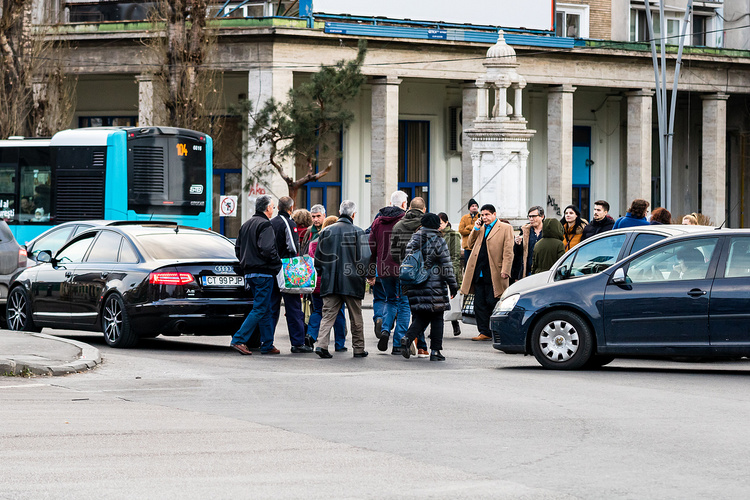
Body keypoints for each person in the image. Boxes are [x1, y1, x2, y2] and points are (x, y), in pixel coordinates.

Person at [313, 200, 372, 358]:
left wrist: (321, 272)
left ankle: (321, 345)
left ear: (340, 212)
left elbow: (318, 258)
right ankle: (359, 348)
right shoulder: (359, 232)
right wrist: (363, 275)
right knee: (356, 316)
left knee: (328, 315)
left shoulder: (326, 232)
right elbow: (365, 258)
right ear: (353, 214)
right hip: (352, 281)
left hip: (330, 280)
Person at [400, 213, 459, 361]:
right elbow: (446, 265)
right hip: (434, 284)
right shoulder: (438, 240)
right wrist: (453, 286)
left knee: (421, 316)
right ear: (435, 225)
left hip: (415, 283)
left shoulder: (413, 239)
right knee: (437, 316)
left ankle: (407, 338)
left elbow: (408, 261)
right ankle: (435, 351)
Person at [230, 195, 281, 355]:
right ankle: (239, 339)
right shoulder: (265, 224)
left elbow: (237, 248)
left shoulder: (246, 224)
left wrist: (246, 261)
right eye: (272, 207)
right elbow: (267, 249)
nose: (273, 210)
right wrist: (277, 263)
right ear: (267, 208)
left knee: (264, 309)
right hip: (263, 272)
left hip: (250, 273)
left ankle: (267, 344)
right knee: (260, 308)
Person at [461, 204, 514, 341]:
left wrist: (506, 270)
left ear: (494, 214)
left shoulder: (505, 228)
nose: (484, 217)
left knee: (493, 302)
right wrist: (476, 228)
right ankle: (484, 331)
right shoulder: (480, 228)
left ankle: (497, 331)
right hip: (479, 272)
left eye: (487, 215)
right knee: (479, 304)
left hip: (495, 272)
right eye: (482, 215)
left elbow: (508, 251)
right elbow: (469, 244)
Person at [269, 196, 313, 354]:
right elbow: (293, 247)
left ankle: (267, 341)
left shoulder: (271, 222)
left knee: (272, 307)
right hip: (286, 268)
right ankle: (298, 343)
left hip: (272, 269)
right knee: (294, 307)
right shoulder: (288, 223)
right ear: (290, 208)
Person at [367, 190, 409, 354]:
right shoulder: (406, 220)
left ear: (391, 203)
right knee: (404, 303)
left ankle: (385, 329)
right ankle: (398, 343)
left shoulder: (378, 221)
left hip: (384, 271)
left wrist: (370, 272)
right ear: (404, 204)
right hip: (404, 272)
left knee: (390, 300)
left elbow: (371, 249)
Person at [389, 197, 429, 356]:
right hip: (422, 275)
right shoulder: (427, 225)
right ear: (424, 209)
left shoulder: (398, 225)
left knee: (404, 305)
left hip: (404, 272)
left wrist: (404, 265)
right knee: (421, 310)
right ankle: (421, 345)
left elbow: (394, 252)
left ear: (409, 208)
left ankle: (403, 342)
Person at [307, 215, 348, 352]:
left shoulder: (314, 242)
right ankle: (340, 344)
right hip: (333, 283)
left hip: (316, 283)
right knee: (339, 313)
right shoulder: (337, 243)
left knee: (318, 310)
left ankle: (311, 335)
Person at [438, 212, 462, 336]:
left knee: (451, 300)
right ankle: (436, 328)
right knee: (438, 301)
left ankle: (455, 323)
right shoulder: (435, 234)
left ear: (446, 222)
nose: (439, 226)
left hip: (449, 271)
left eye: (441, 223)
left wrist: (453, 274)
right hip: (437, 273)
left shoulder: (453, 235)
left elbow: (455, 256)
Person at [514, 205, 545, 281]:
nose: (531, 219)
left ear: (542, 217)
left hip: (544, 271)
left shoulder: (547, 231)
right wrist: (518, 244)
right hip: (528, 271)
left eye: (534, 216)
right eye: (529, 216)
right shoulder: (525, 231)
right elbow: (518, 255)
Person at [458, 199, 480, 269]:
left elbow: (481, 230)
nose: (474, 207)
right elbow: (461, 230)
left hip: (477, 245)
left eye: (476, 206)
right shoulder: (464, 218)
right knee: (467, 266)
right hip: (467, 246)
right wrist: (473, 230)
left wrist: (468, 227)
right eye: (472, 206)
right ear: (469, 208)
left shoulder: (480, 216)